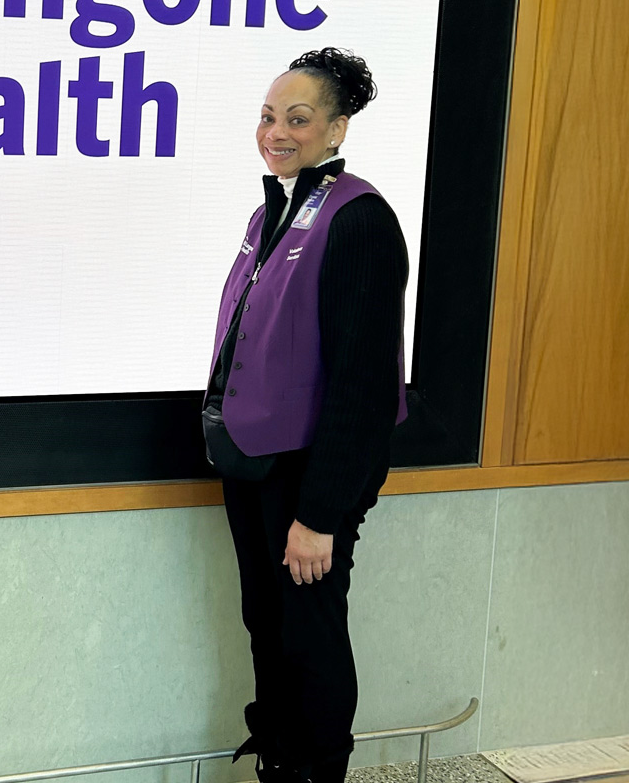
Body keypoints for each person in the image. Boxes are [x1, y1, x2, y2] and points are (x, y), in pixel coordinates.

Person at [203, 49, 408, 783]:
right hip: (255, 463)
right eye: (267, 116)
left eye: (298, 118)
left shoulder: (358, 221)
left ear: (337, 130)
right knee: (268, 623)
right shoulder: (274, 211)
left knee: (310, 634)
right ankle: (280, 760)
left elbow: (362, 383)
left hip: (309, 476)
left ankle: (317, 771)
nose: (277, 131)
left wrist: (319, 513)